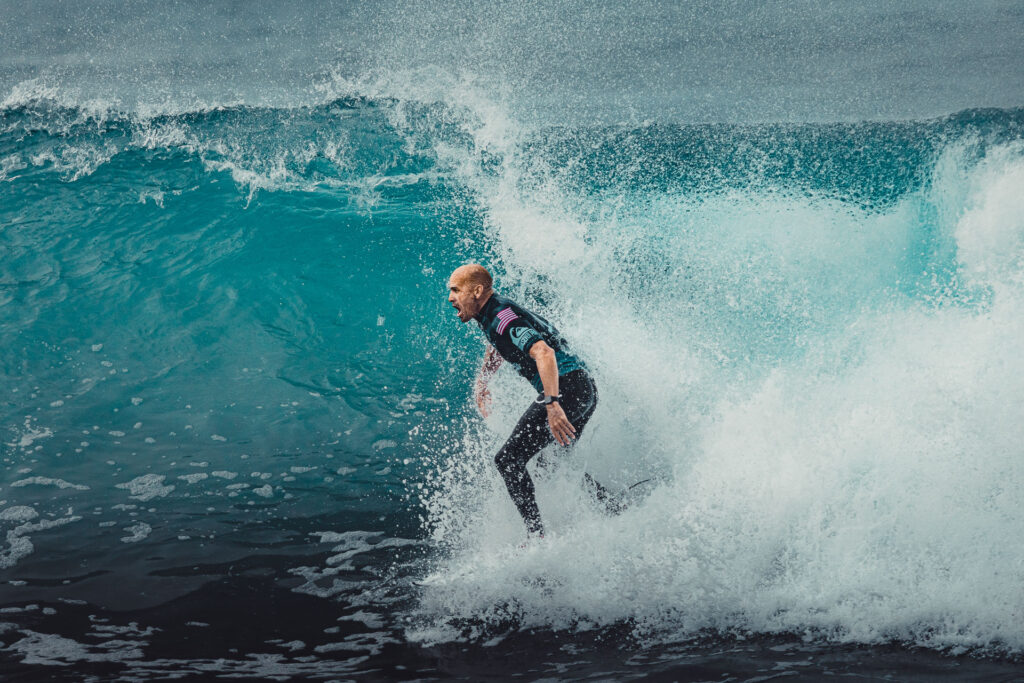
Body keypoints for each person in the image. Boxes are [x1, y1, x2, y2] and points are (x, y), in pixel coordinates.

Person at [446, 263, 599, 537]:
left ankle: (536, 537)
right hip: (585, 388)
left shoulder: (501, 316)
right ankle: (608, 505)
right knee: (551, 463)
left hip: (568, 388)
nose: (450, 298)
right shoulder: (492, 313)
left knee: (507, 460)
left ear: (477, 291)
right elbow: (499, 344)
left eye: (456, 290)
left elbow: (543, 352)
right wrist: (482, 383)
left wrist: (552, 404)